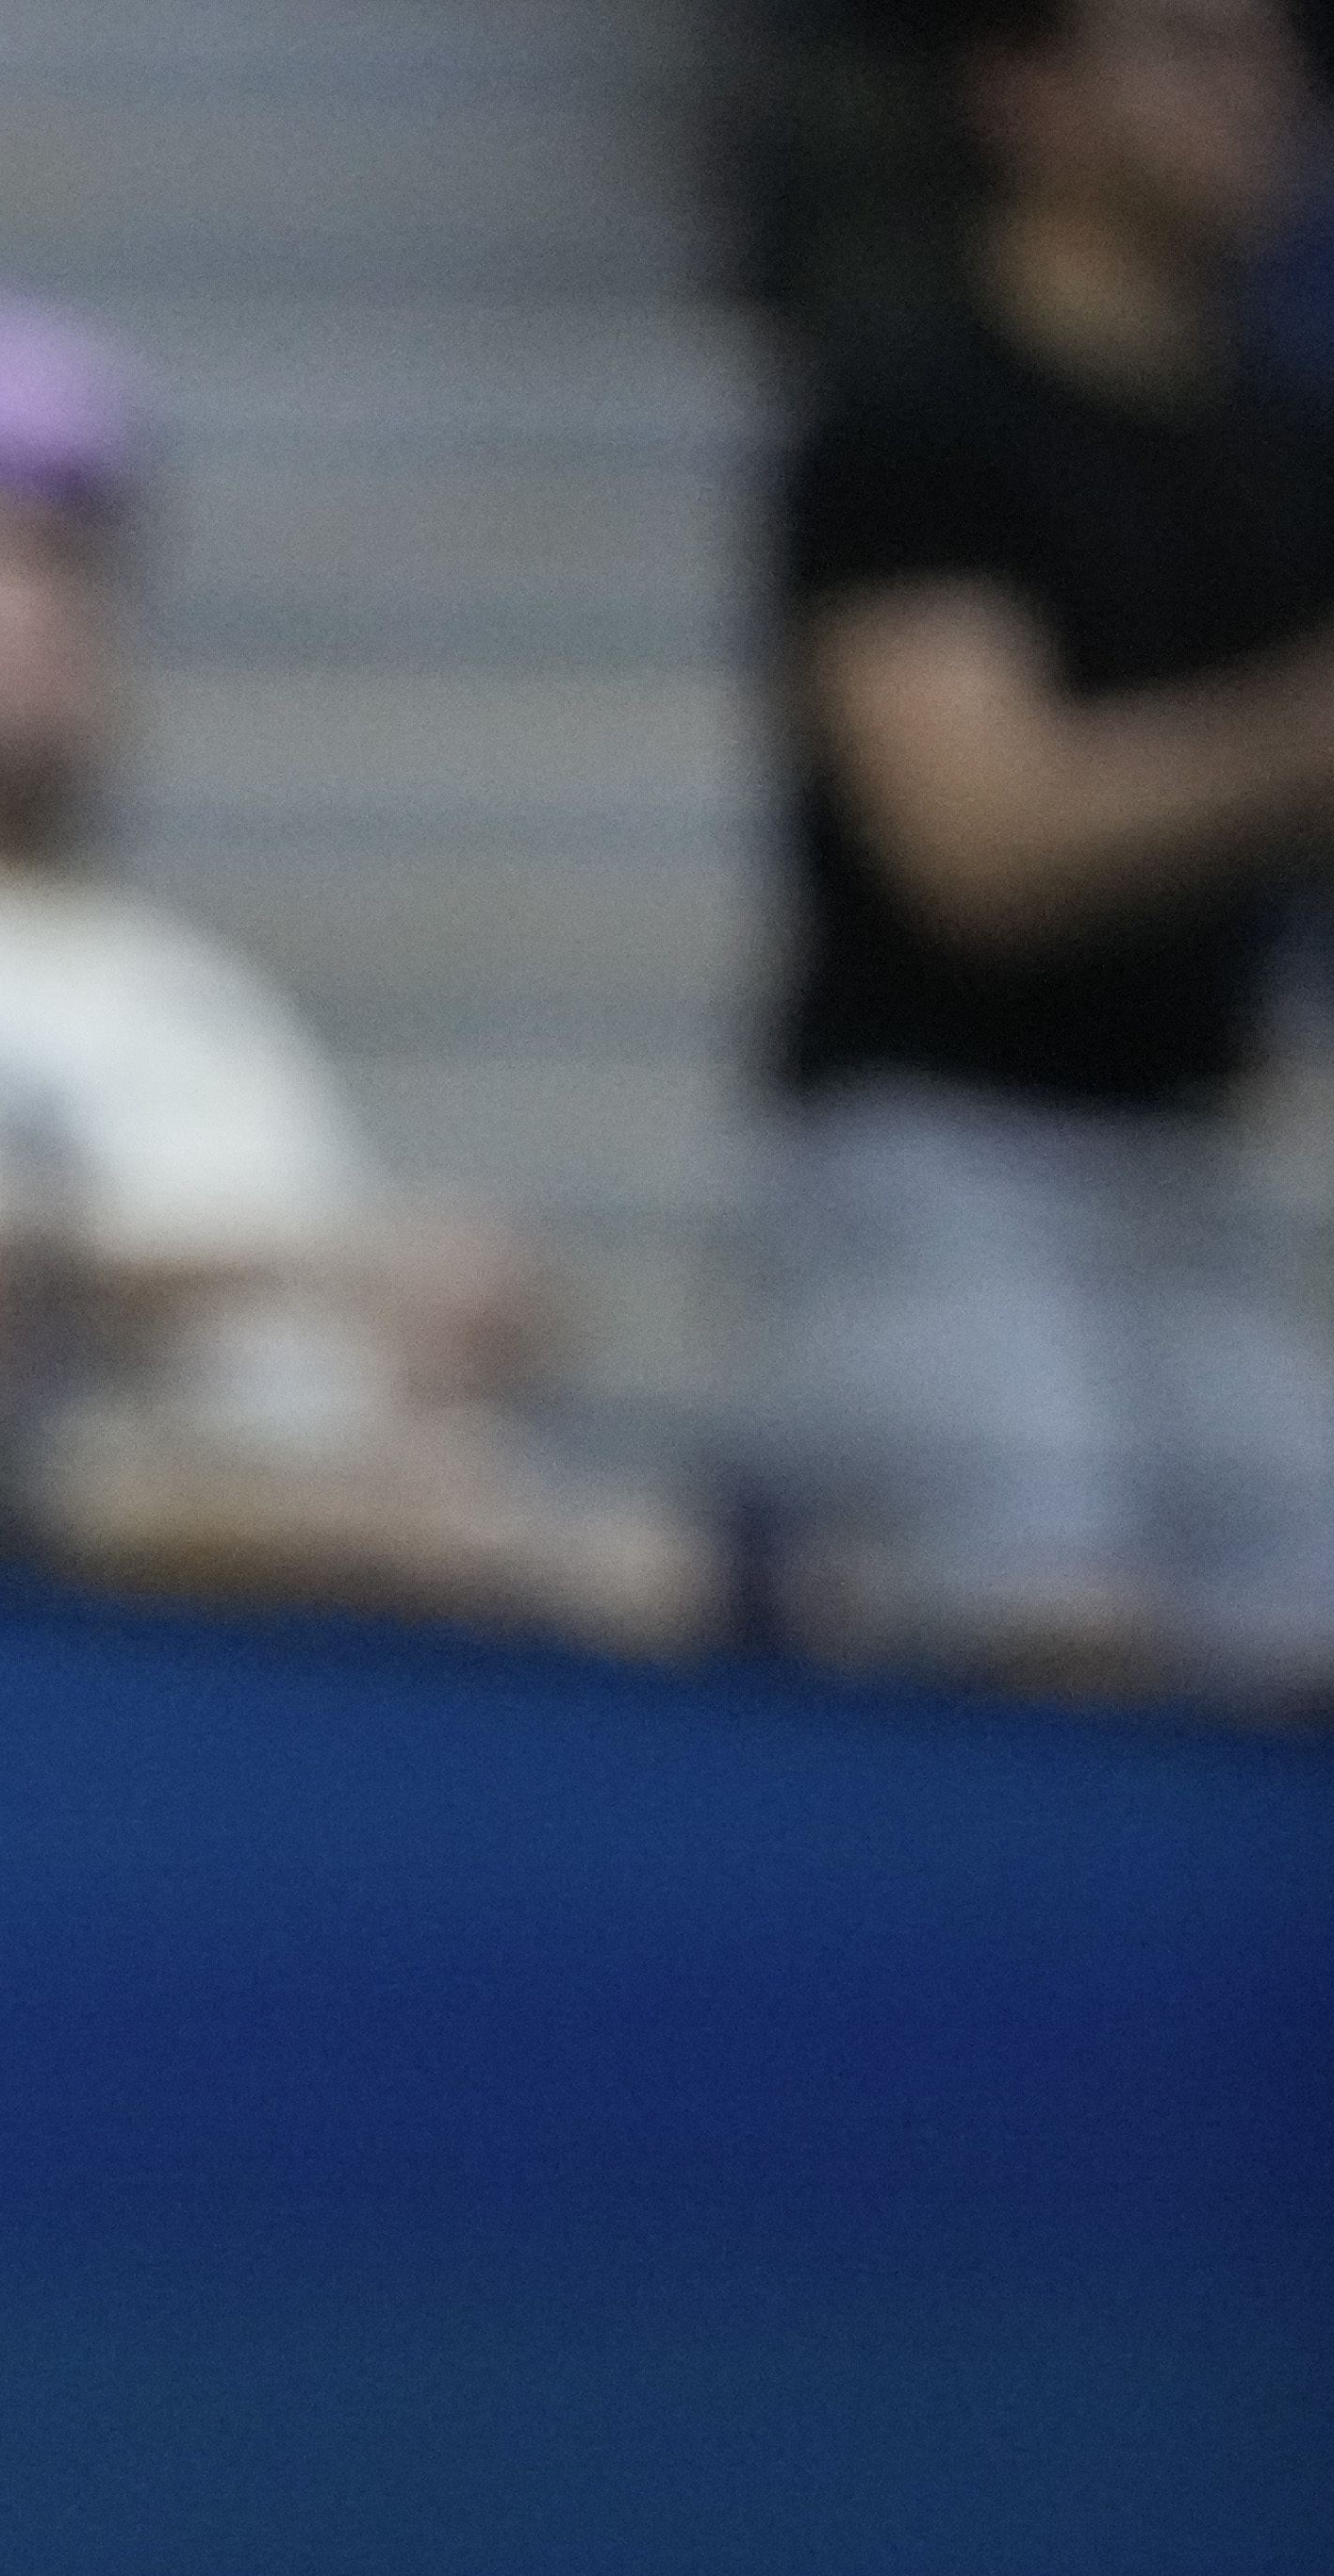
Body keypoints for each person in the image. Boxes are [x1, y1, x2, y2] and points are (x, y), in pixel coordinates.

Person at [0, 296, 707, 1646]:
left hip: (327, 1600)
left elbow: (360, 1320)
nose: (65, 609)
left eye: (87, 566)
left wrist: (450, 1312)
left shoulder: (193, 994)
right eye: (10, 558)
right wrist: (288, 1279)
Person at [758, 0, 1334, 1698]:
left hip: (1193, 1162)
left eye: (1269, 54)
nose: (1250, 98)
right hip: (937, 1161)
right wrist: (1295, 740)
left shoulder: (1285, 443)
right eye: (1186, 49)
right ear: (1028, 96)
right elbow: (977, 848)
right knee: (1035, 1633)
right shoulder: (915, 418)